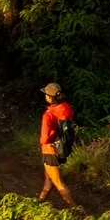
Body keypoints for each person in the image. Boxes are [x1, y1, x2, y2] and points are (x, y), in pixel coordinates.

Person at [37, 80, 76, 208]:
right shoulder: (66, 108)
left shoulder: (48, 114)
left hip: (49, 150)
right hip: (61, 149)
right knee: (49, 178)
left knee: (58, 183)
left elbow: (44, 139)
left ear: (50, 97)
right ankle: (39, 203)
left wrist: (42, 142)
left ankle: (78, 212)